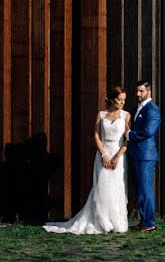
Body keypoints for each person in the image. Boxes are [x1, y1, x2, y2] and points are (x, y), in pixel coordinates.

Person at [43, 86, 130, 234]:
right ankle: (101, 221)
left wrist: (116, 156)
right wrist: (104, 154)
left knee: (116, 186)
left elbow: (127, 139)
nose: (122, 102)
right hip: (103, 153)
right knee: (102, 186)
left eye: (124, 100)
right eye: (119, 99)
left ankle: (117, 221)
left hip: (118, 154)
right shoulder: (102, 115)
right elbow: (96, 135)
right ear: (112, 99)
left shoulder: (126, 115)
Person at [127, 79, 160, 233]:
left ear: (149, 92)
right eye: (137, 91)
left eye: (141, 91)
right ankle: (144, 221)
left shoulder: (152, 110)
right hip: (136, 155)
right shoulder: (137, 109)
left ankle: (150, 223)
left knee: (146, 190)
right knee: (140, 190)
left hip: (146, 156)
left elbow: (147, 132)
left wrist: (129, 135)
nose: (138, 94)